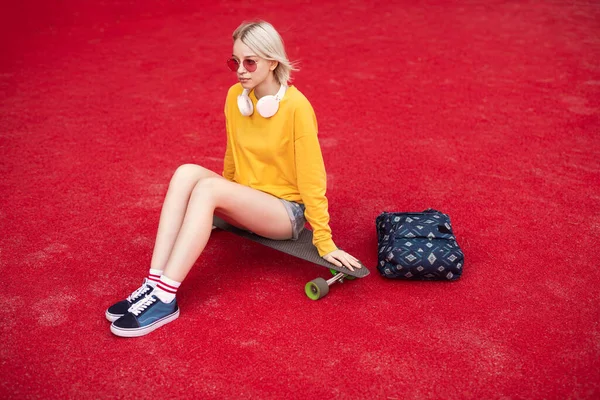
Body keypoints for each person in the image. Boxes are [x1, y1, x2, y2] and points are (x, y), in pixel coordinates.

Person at [106, 20, 362, 337]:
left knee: (209, 188)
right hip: (249, 202)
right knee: (186, 172)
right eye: (235, 61)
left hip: (284, 213)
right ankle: (153, 281)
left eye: (250, 61)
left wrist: (324, 241)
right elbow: (232, 154)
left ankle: (165, 298)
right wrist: (221, 204)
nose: (241, 70)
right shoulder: (235, 98)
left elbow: (312, 177)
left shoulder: (297, 108)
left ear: (272, 61)